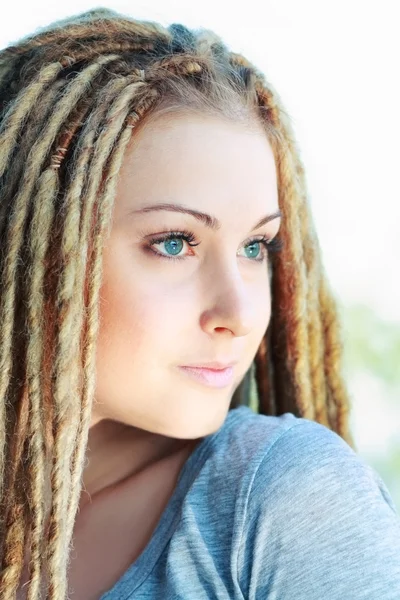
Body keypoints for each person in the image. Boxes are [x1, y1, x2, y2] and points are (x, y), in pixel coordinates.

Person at [0, 7, 399, 600]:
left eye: (255, 246)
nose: (238, 315)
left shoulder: (278, 498)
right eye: (174, 243)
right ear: (27, 243)